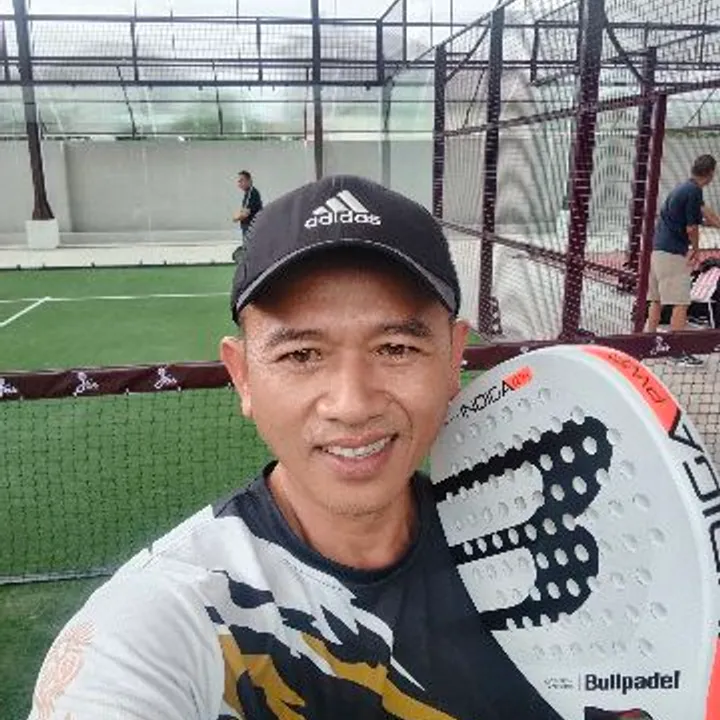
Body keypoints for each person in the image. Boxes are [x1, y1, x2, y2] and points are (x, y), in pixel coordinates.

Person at [27, 176, 563, 720]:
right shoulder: (169, 614)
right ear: (242, 377)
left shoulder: (537, 554)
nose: (352, 405)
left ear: (452, 359)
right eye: (301, 355)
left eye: (396, 347)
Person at [645, 154, 720, 365]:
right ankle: (676, 352)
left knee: (656, 299)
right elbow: (691, 228)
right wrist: (695, 249)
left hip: (657, 252)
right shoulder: (694, 191)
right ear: (711, 173)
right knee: (681, 303)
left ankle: (648, 341)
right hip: (673, 253)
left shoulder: (684, 188)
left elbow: (706, 213)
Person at [232, 170, 263, 263]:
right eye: (238, 181)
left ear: (249, 181)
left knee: (252, 252)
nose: (239, 183)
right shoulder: (248, 193)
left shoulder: (251, 193)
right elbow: (244, 210)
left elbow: (245, 213)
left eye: (241, 180)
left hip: (251, 229)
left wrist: (235, 218)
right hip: (249, 229)